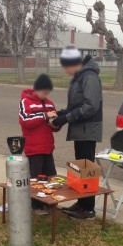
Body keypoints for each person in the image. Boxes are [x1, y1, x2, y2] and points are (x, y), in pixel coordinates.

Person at [51, 46, 103, 220]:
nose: (65, 71)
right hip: (80, 130)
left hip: (88, 130)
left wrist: (67, 118)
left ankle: (88, 208)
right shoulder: (79, 77)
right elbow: (76, 104)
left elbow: (91, 106)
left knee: (86, 169)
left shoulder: (89, 76)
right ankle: (81, 203)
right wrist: (62, 114)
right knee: (79, 168)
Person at [18, 74, 59, 215]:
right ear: (36, 89)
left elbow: (53, 125)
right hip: (33, 147)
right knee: (36, 178)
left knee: (50, 177)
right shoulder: (25, 102)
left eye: (48, 93)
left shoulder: (49, 103)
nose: (45, 95)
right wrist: (44, 116)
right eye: (43, 92)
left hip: (47, 146)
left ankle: (48, 201)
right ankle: (36, 204)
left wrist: (56, 122)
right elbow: (25, 120)